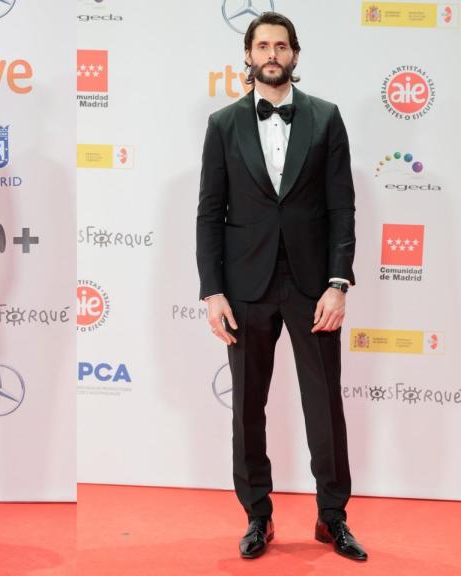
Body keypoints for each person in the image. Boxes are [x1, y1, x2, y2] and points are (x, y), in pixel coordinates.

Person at [195, 11, 367, 562]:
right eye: (262, 45)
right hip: (245, 287)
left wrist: (339, 283)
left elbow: (343, 206)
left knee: (324, 405)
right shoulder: (223, 124)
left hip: (314, 285)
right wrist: (212, 291)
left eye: (281, 45)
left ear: (295, 53)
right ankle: (257, 517)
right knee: (247, 408)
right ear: (247, 56)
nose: (272, 53)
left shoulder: (325, 118)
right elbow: (208, 213)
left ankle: (332, 518)